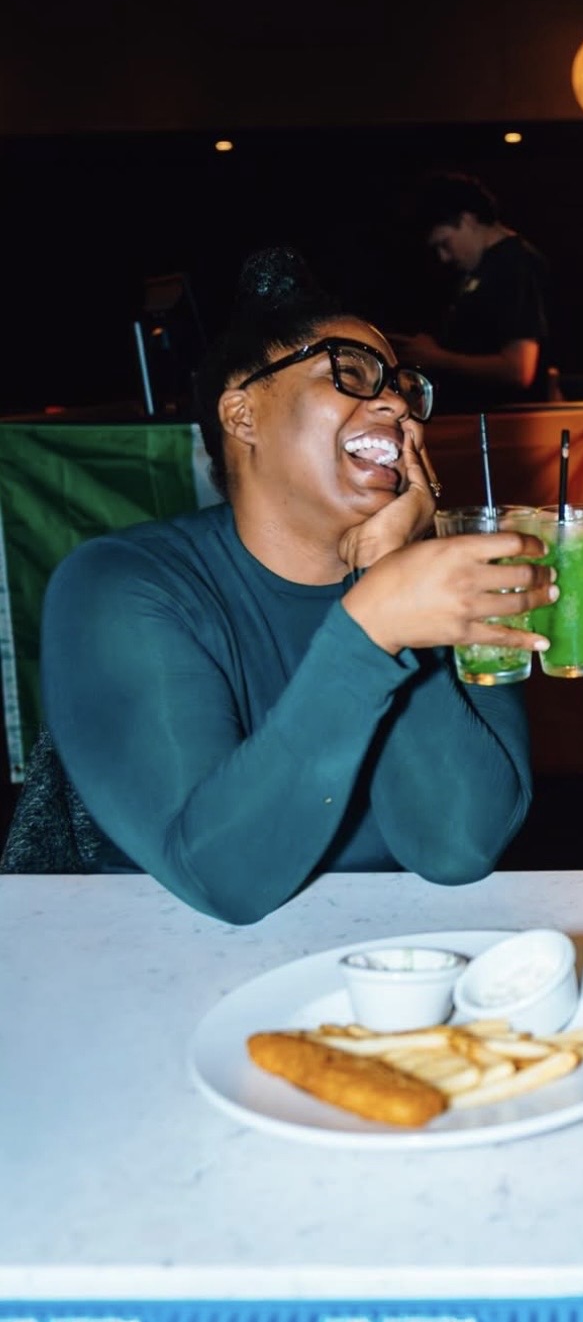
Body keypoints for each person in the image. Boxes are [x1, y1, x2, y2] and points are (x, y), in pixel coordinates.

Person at [31, 246, 556, 923]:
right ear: (242, 415)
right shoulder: (120, 586)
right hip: (165, 984)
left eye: (402, 384)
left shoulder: (444, 583)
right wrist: (371, 630)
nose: (396, 402)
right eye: (354, 372)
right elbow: (224, 878)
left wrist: (386, 576)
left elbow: (454, 848)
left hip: (387, 985)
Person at [391, 172, 554, 409]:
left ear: (467, 220)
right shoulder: (485, 267)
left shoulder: (514, 264)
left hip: (507, 425)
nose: (443, 257)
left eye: (445, 243)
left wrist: (438, 358)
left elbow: (519, 369)